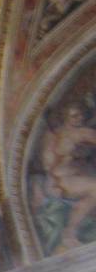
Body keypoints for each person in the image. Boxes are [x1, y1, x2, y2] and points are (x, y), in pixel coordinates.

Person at [38, 102, 96, 250]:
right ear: (65, 117)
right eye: (74, 115)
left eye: (81, 114)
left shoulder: (81, 133)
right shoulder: (55, 135)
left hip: (64, 180)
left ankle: (71, 230)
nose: (79, 118)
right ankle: (69, 232)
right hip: (58, 181)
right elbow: (47, 163)